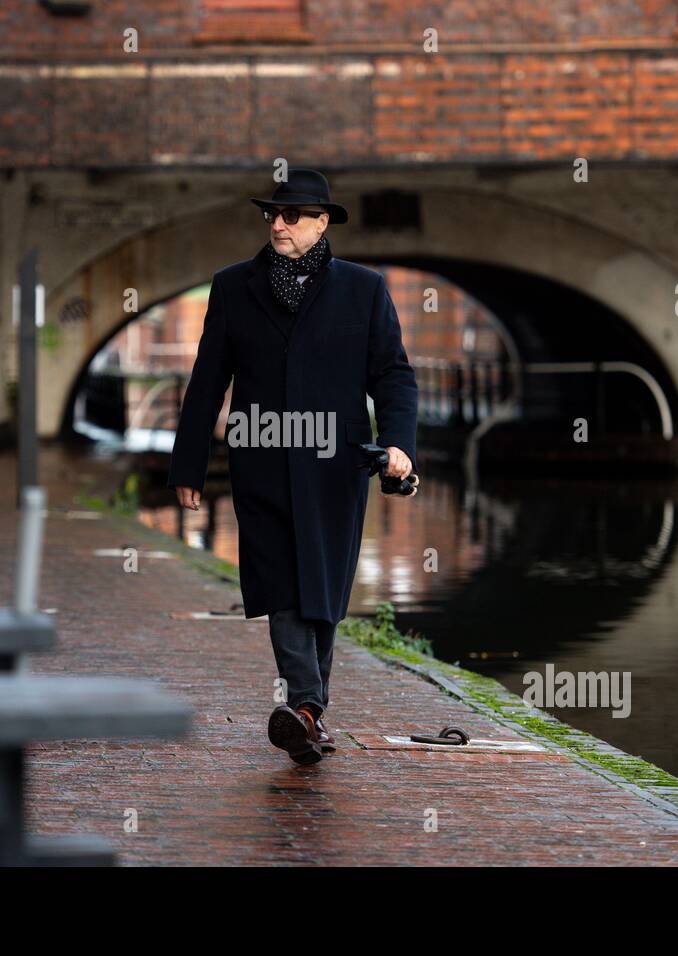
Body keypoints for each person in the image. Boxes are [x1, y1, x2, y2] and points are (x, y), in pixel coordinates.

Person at [168, 168, 418, 765]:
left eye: (293, 215)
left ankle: (307, 713)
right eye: (272, 215)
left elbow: (392, 373)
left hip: (337, 464)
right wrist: (188, 464)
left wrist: (400, 443)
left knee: (324, 589)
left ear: (322, 222)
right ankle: (306, 705)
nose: (278, 224)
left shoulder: (364, 289)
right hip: (260, 460)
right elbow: (208, 381)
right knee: (282, 581)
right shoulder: (233, 287)